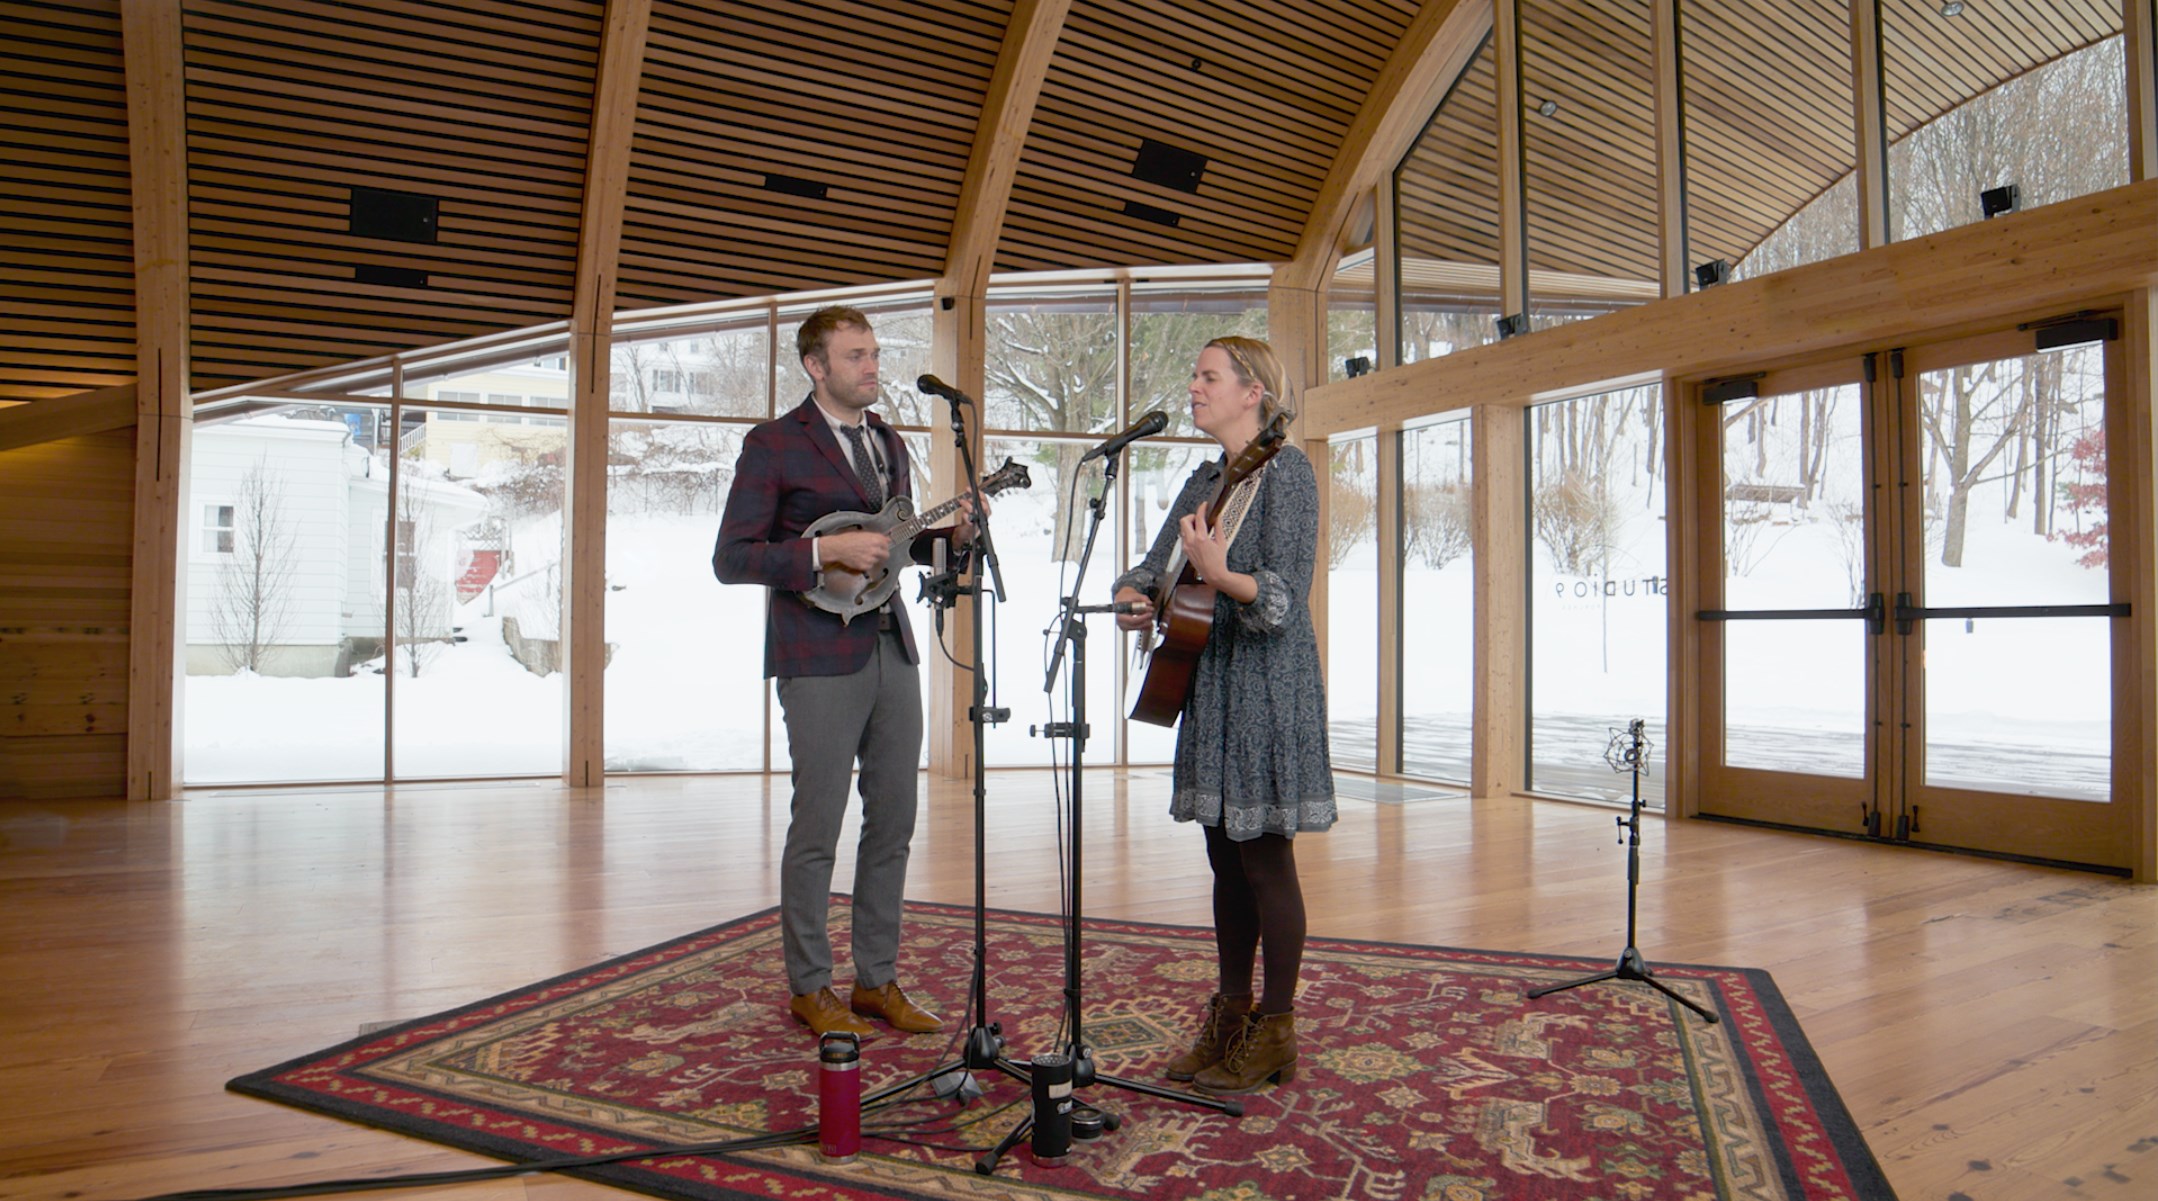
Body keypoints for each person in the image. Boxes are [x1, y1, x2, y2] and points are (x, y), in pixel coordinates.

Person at [714, 305, 976, 1039]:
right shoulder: (772, 445)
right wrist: (822, 553)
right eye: (856, 355)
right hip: (815, 654)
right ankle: (809, 985)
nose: (872, 366)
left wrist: (948, 537)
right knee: (818, 825)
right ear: (815, 366)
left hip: (892, 646)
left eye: (874, 353)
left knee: (894, 819)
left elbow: (891, 549)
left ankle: (877, 979)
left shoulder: (890, 443)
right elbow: (731, 558)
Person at [1112, 335, 1336, 1095]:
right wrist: (1134, 596)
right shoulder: (1204, 478)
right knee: (1222, 858)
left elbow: (1281, 596)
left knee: (1266, 858)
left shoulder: (1289, 474)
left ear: (1253, 392)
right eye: (1197, 374)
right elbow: (1151, 566)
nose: (1195, 387)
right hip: (1208, 684)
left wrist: (1221, 574)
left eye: (1209, 377)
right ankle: (1231, 1011)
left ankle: (1276, 1027)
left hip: (1269, 688)